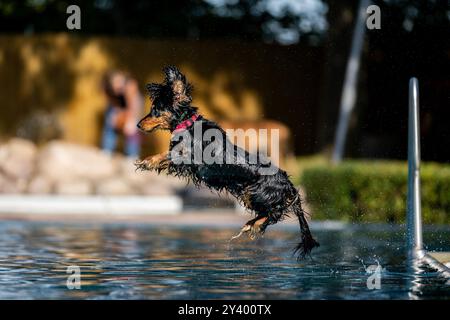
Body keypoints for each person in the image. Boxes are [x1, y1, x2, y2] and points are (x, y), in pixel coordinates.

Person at [101, 70, 143, 157]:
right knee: (110, 123)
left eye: (120, 84)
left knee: (133, 129)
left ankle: (132, 155)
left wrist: (131, 120)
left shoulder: (131, 87)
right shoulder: (107, 88)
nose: (117, 86)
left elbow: (134, 104)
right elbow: (113, 101)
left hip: (132, 106)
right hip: (117, 106)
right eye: (114, 84)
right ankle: (107, 150)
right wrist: (116, 116)